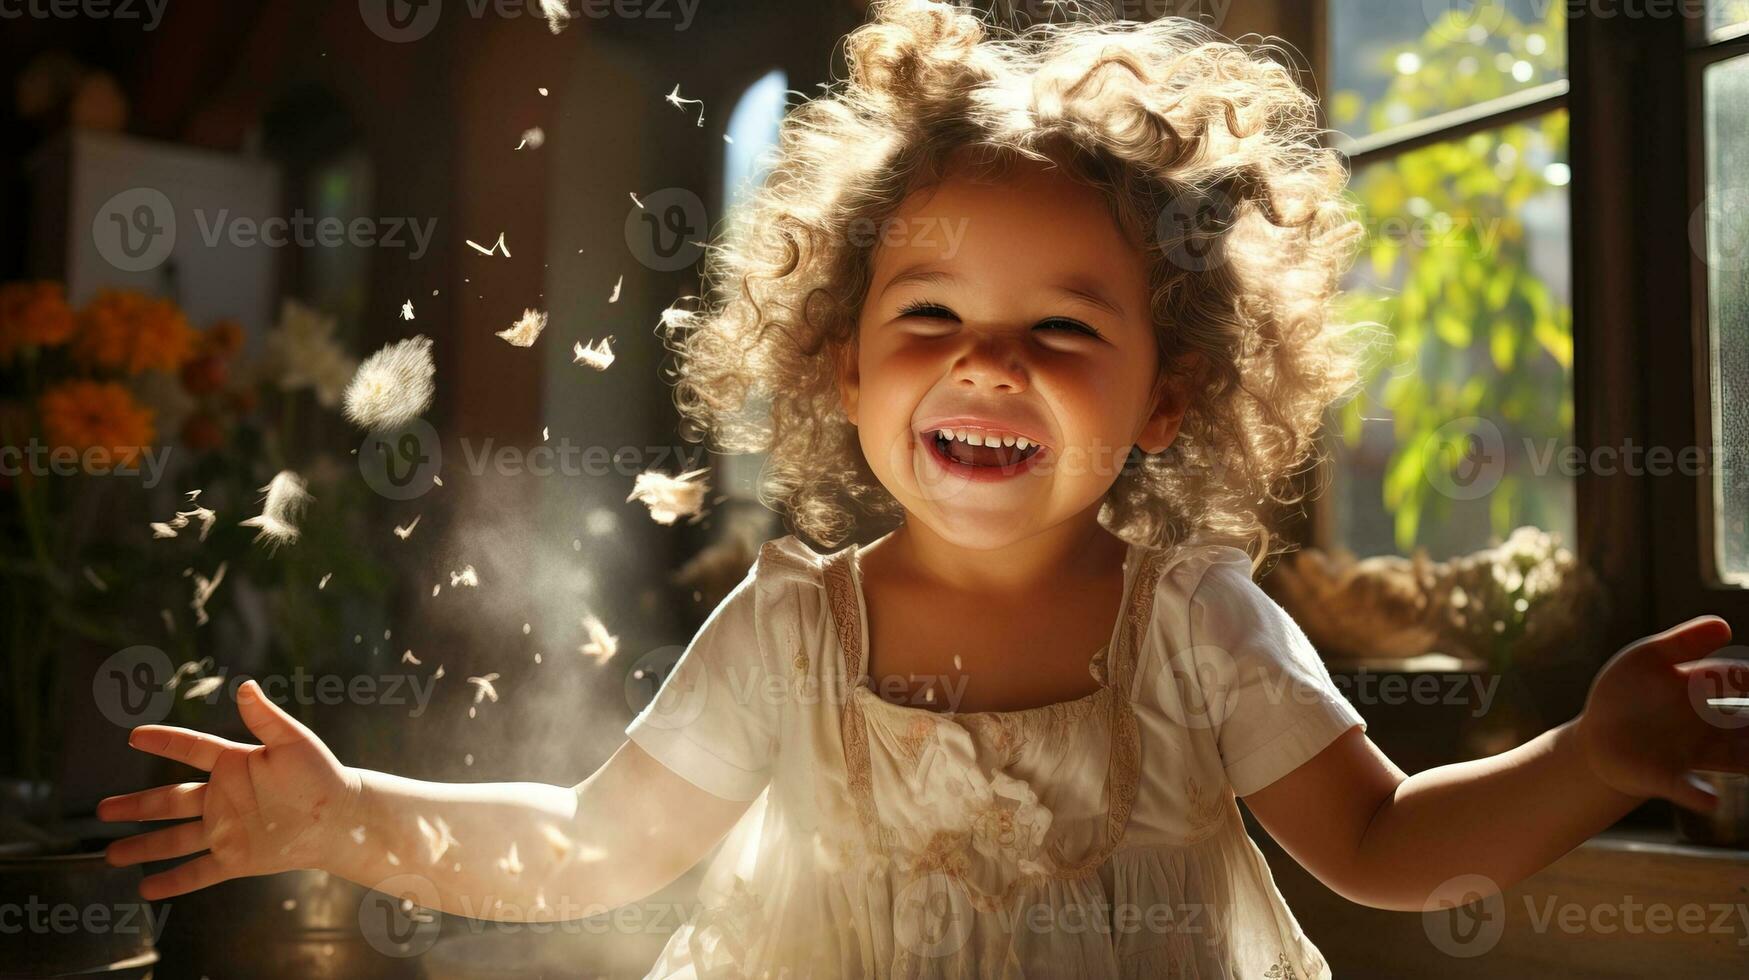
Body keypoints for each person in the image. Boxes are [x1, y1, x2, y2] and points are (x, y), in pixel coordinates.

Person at [100, 2, 1749, 976]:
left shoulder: (1197, 622)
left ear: (1167, 390)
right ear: (838, 360)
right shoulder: (789, 628)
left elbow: (1383, 844)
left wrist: (1588, 754)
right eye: (931, 319)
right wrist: (339, 817)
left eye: (1061, 329)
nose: (990, 364)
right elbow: (594, 844)